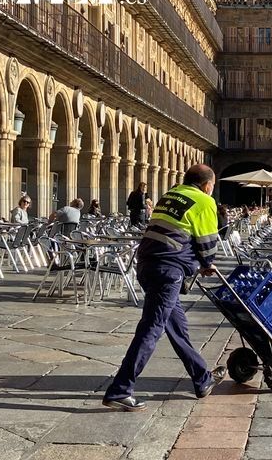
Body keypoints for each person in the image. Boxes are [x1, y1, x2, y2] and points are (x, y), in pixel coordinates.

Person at [103, 164, 225, 412]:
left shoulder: (170, 195)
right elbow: (208, 242)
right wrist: (207, 264)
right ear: (207, 185)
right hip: (167, 270)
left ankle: (203, 379)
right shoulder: (203, 201)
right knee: (151, 328)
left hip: (147, 264)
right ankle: (120, 389)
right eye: (212, 186)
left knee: (177, 326)